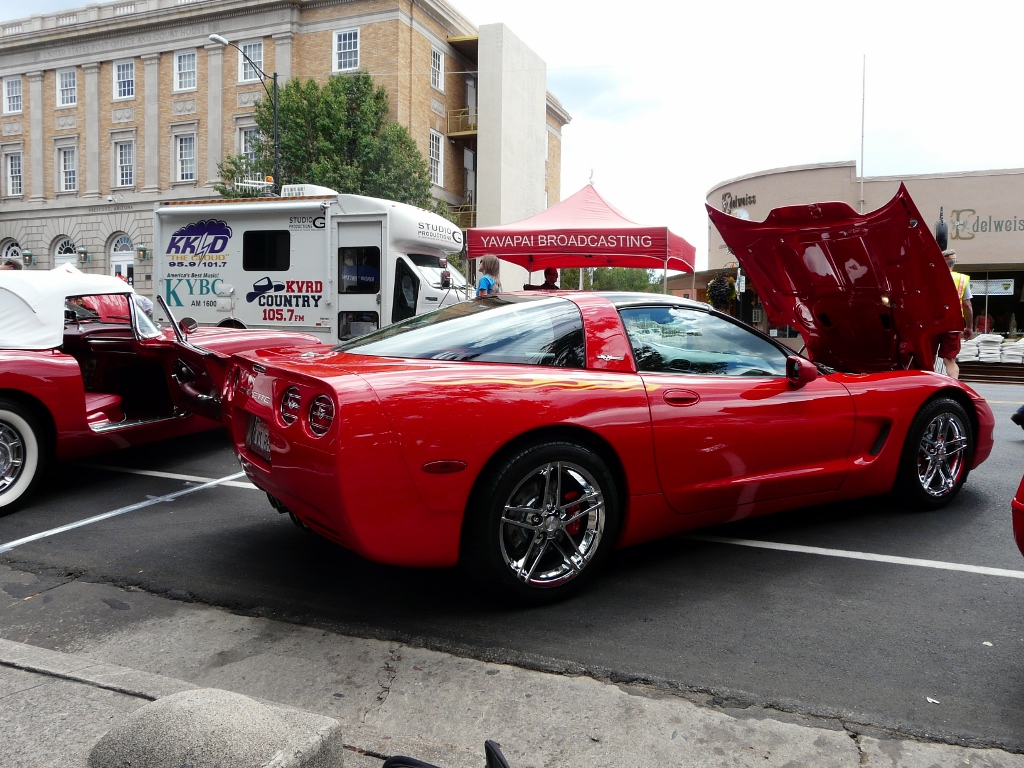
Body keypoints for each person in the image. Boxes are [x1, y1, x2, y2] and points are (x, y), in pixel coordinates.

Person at [938, 249, 973, 379]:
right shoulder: (962, 279)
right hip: (952, 322)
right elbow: (967, 306)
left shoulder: (931, 276)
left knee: (927, 357)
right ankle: (953, 386)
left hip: (932, 321)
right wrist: (969, 326)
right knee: (950, 360)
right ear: (954, 263)